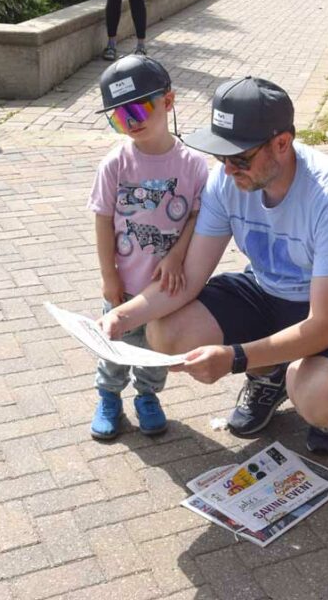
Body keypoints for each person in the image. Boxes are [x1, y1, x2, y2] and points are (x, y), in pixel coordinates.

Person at [100, 76, 328, 454]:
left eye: (239, 159)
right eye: (221, 157)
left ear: (282, 144)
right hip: (268, 289)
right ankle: (270, 378)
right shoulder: (226, 183)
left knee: (318, 398)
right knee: (165, 332)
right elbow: (188, 278)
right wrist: (123, 317)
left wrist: (235, 358)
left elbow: (323, 325)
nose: (227, 170)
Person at [87, 55, 208, 440]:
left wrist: (176, 255)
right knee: (114, 348)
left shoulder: (192, 165)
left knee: (155, 351)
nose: (131, 121)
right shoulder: (115, 164)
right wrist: (109, 277)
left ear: (168, 102)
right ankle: (108, 397)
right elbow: (103, 219)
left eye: (139, 108)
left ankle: (148, 397)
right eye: (119, 116)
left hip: (164, 289)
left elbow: (196, 217)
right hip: (123, 283)